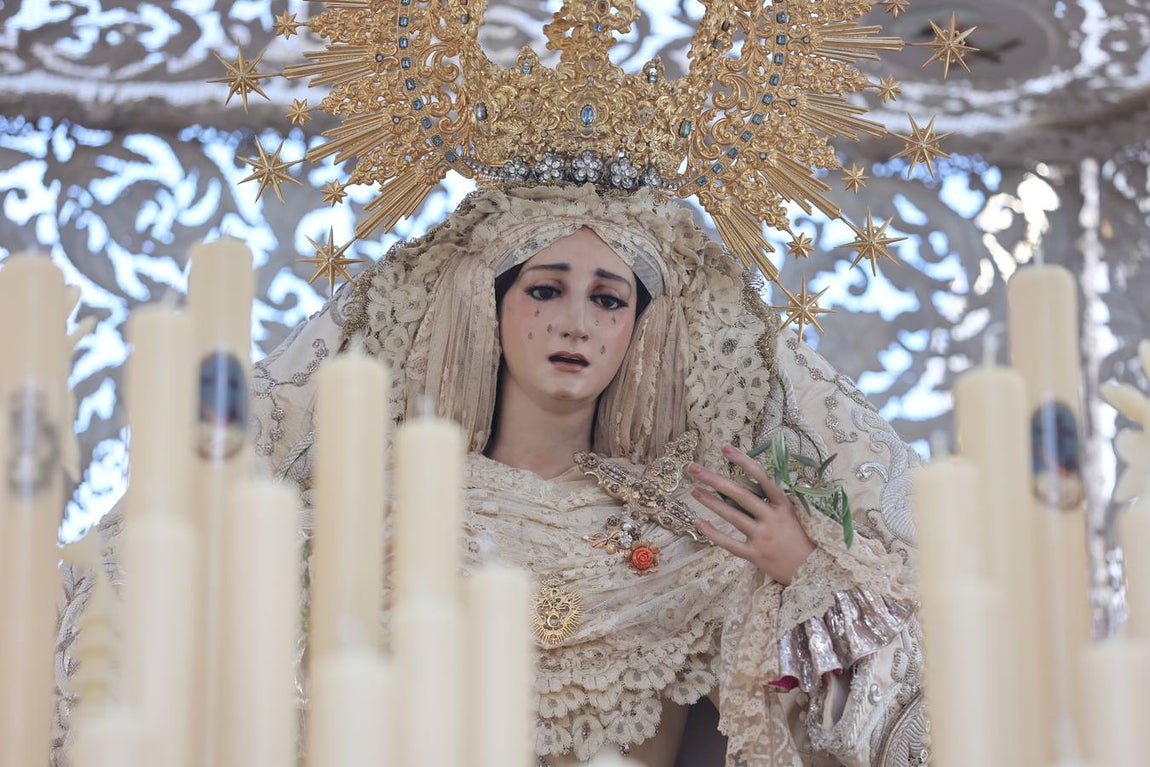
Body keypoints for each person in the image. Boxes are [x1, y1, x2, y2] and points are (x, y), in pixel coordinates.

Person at [247, 184, 927, 766]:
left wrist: (803, 569)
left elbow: (882, 728)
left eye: (608, 300)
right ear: (489, 305)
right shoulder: (386, 518)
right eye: (545, 290)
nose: (575, 323)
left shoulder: (687, 541)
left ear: (642, 329)